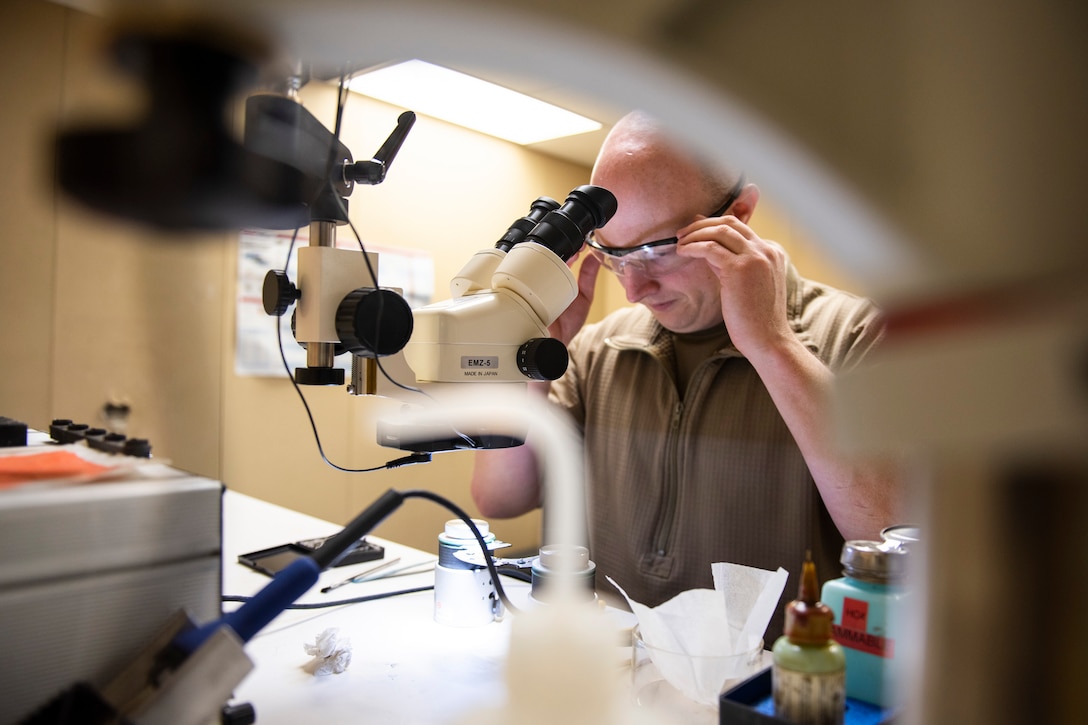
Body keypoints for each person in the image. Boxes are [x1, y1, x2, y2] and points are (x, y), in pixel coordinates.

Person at [471, 110, 902, 643]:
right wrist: (532, 361)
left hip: (765, 694)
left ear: (739, 215)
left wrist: (773, 345)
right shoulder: (596, 349)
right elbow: (499, 499)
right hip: (610, 677)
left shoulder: (860, 335)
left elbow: (886, 535)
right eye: (614, 256)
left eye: (657, 251)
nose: (635, 290)